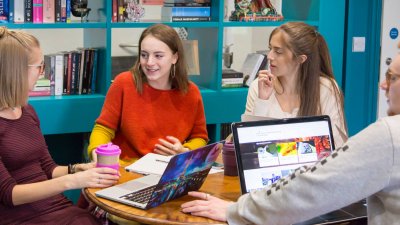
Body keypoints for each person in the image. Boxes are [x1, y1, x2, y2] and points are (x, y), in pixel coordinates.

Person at [181, 48, 400, 224]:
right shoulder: (261, 86)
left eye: (392, 77)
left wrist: (236, 211)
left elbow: (315, 187)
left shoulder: (389, 135)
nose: (383, 85)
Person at [0, 27, 120, 224]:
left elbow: (48, 168)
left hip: (54, 206)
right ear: (17, 71)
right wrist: (73, 181)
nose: (42, 73)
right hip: (20, 217)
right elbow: (9, 194)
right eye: (40, 66)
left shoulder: (27, 111)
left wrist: (80, 169)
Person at [88, 23, 208, 164]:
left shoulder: (191, 92)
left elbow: (200, 137)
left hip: (168, 170)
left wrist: (185, 151)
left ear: (175, 57)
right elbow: (103, 129)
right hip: (126, 169)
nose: (149, 62)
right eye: (144, 55)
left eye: (158, 56)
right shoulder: (123, 83)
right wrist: (97, 152)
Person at [243, 22, 347, 147]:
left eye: (278, 51)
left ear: (300, 59)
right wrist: (262, 101)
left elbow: (337, 145)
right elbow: (249, 145)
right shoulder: (259, 86)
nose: (269, 56)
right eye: (270, 49)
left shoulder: (326, 88)